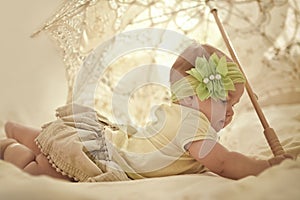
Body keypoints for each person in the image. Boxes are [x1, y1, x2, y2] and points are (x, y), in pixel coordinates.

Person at [0, 43, 292, 182]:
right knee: (45, 169)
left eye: (235, 106)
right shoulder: (193, 127)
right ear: (192, 95)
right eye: (226, 101)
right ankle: (15, 147)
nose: (230, 112)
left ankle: (15, 138)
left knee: (46, 153)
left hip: (111, 147)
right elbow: (225, 163)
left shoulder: (181, 117)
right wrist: (266, 166)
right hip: (111, 160)